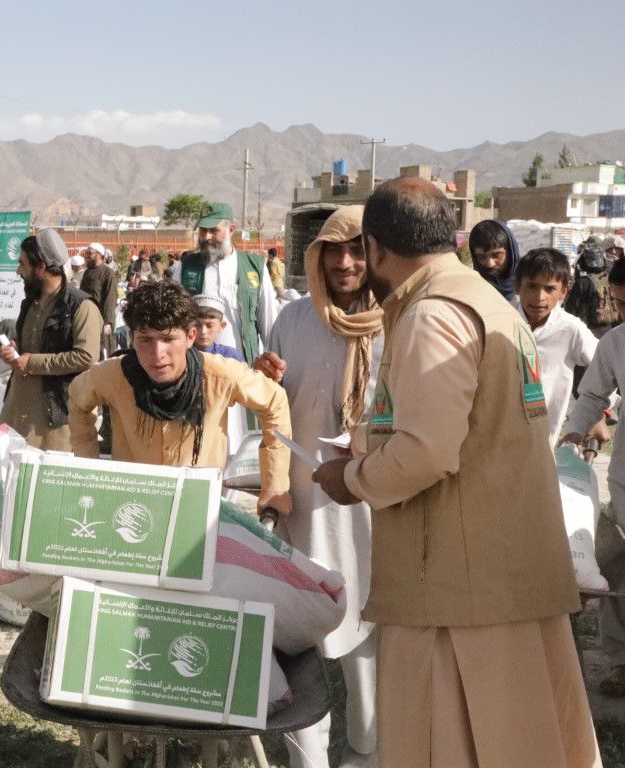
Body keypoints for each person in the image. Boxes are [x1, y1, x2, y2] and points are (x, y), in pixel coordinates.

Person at [313, 177, 599, 768]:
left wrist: (355, 480)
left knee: (454, 742)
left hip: (456, 589)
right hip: (503, 568)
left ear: (375, 248)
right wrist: (372, 441)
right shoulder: (484, 300)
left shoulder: (432, 314)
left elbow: (427, 452)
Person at [251, 205, 382, 768]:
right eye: (334, 250)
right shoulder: (294, 318)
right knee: (298, 630)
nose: (346, 262)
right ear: (318, 256)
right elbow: (273, 410)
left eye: (357, 250)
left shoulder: (398, 322)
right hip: (304, 500)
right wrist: (265, 376)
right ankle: (309, 756)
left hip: (370, 506)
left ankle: (368, 750)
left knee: (369, 635)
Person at [68, 280, 292, 518]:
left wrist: (275, 484)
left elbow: (274, 401)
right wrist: (89, 469)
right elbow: (77, 397)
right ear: (132, 338)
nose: (157, 354)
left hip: (198, 511)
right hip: (132, 509)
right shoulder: (113, 376)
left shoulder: (220, 375)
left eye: (168, 339)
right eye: (145, 339)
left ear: (190, 336)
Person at [562, 257, 625, 700]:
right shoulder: (615, 343)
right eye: (621, 304)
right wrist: (572, 433)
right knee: (618, 569)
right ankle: (621, 661)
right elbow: (593, 396)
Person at [0, 229, 101, 452]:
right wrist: (13, 349)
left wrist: (32, 362)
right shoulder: (30, 303)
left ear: (41, 268)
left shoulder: (82, 307)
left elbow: (85, 357)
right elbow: (27, 346)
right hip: (17, 408)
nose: (18, 271)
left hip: (54, 417)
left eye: (22, 264)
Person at [176, 202, 279, 363]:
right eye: (203, 231)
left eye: (214, 231)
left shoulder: (254, 267)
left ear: (231, 230)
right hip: (196, 368)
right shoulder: (187, 266)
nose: (207, 237)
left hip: (242, 370)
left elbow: (270, 326)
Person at [514, 247, 597, 444]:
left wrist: (599, 412)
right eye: (532, 286)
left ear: (564, 291)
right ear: (517, 287)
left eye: (549, 288)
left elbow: (606, 367)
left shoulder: (570, 329)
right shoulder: (500, 323)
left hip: (543, 442)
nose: (539, 297)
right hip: (497, 439)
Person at [565, 241, 616, 336]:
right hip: (610, 329)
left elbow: (569, 311)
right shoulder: (611, 280)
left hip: (587, 331)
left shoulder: (582, 283)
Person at [78, 242, 119, 358]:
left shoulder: (108, 274)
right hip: (88, 318)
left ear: (99, 255)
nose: (86, 256)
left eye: (89, 253)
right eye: (86, 253)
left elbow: (110, 299)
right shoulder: (87, 273)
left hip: (102, 321)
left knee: (104, 354)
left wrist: (108, 322)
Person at [468, 219, 521, 305]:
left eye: (497, 255)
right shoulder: (470, 293)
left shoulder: (529, 289)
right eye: (481, 257)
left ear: (510, 253)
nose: (490, 264)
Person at [192, 294, 245, 362]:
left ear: (222, 326)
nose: (203, 331)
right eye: (197, 325)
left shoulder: (232, 357)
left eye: (209, 326)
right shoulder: (181, 354)